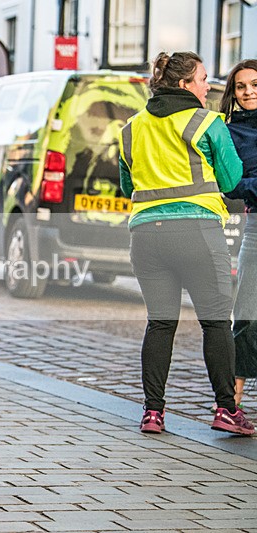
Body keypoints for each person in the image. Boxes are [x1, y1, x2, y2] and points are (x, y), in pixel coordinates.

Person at [118, 51, 254, 435]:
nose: (207, 86)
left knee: (160, 323)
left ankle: (153, 413)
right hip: (197, 232)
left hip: (145, 235)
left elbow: (128, 186)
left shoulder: (130, 128)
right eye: (202, 79)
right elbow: (230, 181)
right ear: (184, 85)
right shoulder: (207, 121)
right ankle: (227, 409)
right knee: (215, 322)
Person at [220, 59, 257, 410]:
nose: (248, 92)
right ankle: (232, 400)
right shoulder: (231, 132)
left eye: (255, 84)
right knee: (246, 312)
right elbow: (228, 185)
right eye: (242, 86)